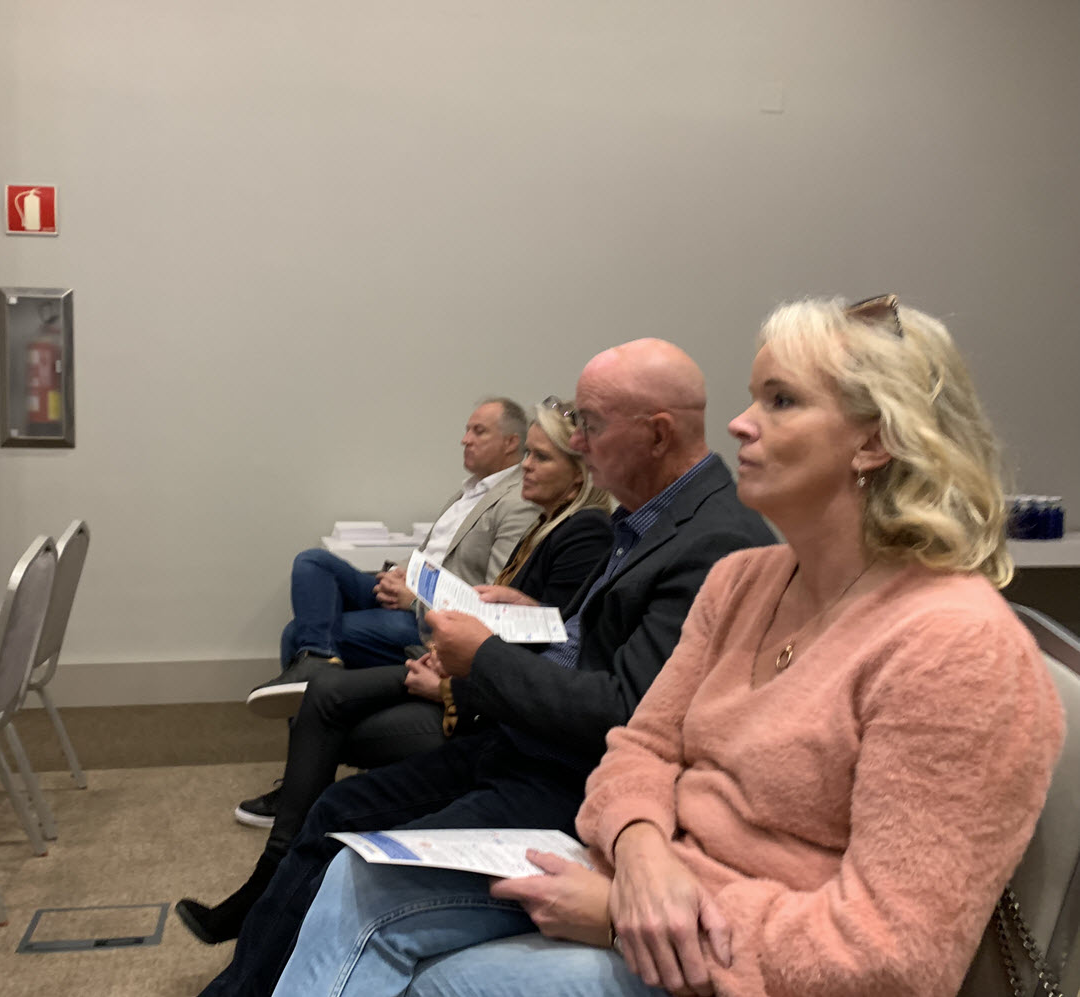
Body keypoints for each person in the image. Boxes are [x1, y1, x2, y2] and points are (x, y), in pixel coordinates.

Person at [272, 295, 1064, 997]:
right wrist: (641, 849)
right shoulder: (747, 580)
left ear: (874, 441)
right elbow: (640, 746)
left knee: (437, 981)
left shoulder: (957, 648)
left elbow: (892, 959)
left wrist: (625, 917)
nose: (740, 424)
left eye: (781, 400)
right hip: (644, 874)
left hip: (728, 947)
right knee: (357, 882)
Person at [195, 339, 774, 997]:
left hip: (572, 780)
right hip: (524, 745)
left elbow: (627, 712)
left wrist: (483, 657)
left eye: (589, 424)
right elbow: (604, 647)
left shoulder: (713, 540)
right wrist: (536, 618)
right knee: (336, 810)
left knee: (354, 873)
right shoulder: (649, 518)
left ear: (658, 434)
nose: (578, 442)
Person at [177, 399, 615, 944]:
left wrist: (451, 676)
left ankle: (271, 873)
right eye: (527, 454)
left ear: (578, 475)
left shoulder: (582, 533)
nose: (525, 465)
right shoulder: (546, 526)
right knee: (319, 666)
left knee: (326, 703)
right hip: (468, 669)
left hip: (482, 701)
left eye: (540, 457)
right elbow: (529, 628)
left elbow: (547, 653)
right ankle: (274, 866)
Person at [247, 398, 539, 717]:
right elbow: (430, 552)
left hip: (427, 618)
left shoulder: (517, 503)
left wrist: (415, 601)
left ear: (511, 442)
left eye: (478, 431)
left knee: (296, 633)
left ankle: (316, 680)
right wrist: (397, 573)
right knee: (313, 562)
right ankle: (319, 660)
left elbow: (493, 597)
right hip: (408, 587)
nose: (465, 439)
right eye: (467, 430)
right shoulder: (468, 491)